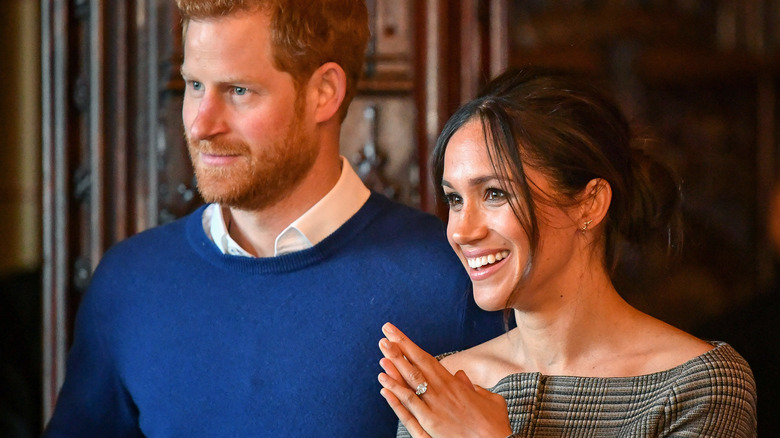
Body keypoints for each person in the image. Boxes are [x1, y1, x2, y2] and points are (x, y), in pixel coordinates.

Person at [43, 1, 501, 436]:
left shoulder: (454, 278)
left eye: (238, 91)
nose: (201, 124)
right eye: (194, 86)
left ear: (324, 93)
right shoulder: (130, 283)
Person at [377, 68, 758, 437]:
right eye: (455, 199)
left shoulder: (697, 386)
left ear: (589, 203)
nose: (461, 230)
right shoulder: (445, 388)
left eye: (495, 194)